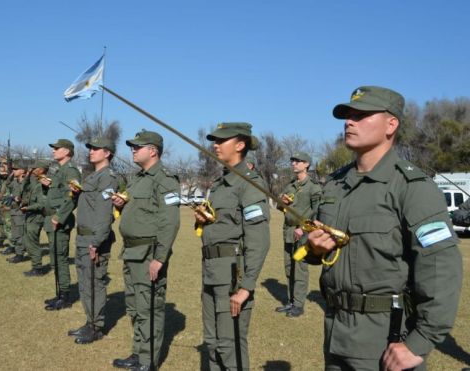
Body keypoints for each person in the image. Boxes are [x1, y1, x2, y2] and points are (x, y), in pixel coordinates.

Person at [306, 86, 462, 370]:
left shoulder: (412, 188)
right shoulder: (335, 185)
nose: (349, 122)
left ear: (391, 124)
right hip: (335, 332)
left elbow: (441, 268)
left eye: (361, 115)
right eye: (348, 115)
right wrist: (313, 249)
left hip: (385, 338)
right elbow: (322, 246)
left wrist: (420, 342)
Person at [196, 123, 270, 371]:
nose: (215, 145)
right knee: (213, 343)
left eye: (222, 140)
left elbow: (258, 240)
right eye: (214, 141)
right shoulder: (220, 184)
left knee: (230, 346)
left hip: (232, 278)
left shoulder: (249, 184)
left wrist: (246, 286)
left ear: (239, 145)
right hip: (211, 272)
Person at [112, 130, 180, 371]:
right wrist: (122, 203)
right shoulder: (137, 178)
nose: (132, 150)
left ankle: (147, 361)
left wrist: (159, 258)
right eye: (132, 146)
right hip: (131, 252)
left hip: (148, 254)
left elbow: (169, 222)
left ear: (153, 151)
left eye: (137, 146)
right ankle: (138, 353)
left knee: (149, 307)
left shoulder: (165, 179)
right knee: (134, 306)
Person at [68, 138, 118, 344]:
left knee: (94, 283)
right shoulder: (93, 176)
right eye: (90, 148)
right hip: (83, 237)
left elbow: (105, 213)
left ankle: (96, 327)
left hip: (93, 239)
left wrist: (96, 241)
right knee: (84, 284)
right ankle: (89, 322)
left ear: (107, 153)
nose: (91, 152)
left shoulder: (107, 177)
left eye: (96, 149)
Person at [275, 151, 321, 317]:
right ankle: (291, 301)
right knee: (289, 268)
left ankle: (299, 305)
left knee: (300, 269)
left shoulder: (313, 187)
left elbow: (317, 213)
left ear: (306, 164)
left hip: (302, 232)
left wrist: (304, 228)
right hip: (288, 230)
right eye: (292, 161)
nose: (294, 163)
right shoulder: (290, 185)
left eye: (297, 161)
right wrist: (282, 203)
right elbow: (280, 207)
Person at [41, 139, 81, 311]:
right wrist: (46, 186)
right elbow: (55, 195)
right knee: (55, 258)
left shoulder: (71, 171)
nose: (53, 151)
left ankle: (65, 295)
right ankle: (60, 292)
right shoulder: (59, 171)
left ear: (67, 151)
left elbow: (73, 197)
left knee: (60, 258)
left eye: (57, 149)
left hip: (60, 221)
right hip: (52, 220)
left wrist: (59, 216)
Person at [21, 160, 51, 276]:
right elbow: (24, 187)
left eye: (35, 168)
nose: (32, 170)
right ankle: (35, 265)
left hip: (37, 216)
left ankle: (37, 268)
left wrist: (27, 208)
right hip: (30, 215)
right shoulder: (35, 181)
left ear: (42, 170)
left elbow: (42, 204)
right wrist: (28, 175)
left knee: (33, 242)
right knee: (28, 242)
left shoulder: (44, 182)